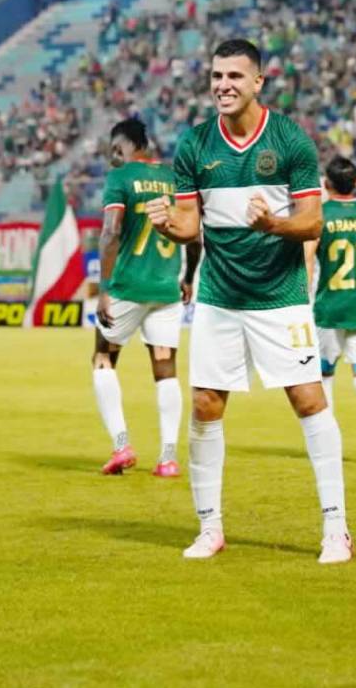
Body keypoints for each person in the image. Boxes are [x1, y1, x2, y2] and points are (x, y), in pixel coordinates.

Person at [145, 37, 352, 565]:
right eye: (217, 76)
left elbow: (313, 221)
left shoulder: (289, 141)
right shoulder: (193, 145)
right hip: (219, 295)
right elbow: (191, 227)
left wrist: (274, 224)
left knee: (308, 400)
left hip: (280, 297)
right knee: (205, 405)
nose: (223, 85)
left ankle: (336, 529)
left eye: (235, 77)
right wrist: (170, 226)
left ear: (258, 82)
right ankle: (210, 527)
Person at [93, 118, 201, 477]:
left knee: (103, 359)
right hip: (166, 291)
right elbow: (196, 235)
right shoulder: (174, 179)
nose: (112, 158)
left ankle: (122, 445)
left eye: (115, 149)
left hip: (127, 288)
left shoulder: (120, 179)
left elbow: (111, 232)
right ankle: (168, 458)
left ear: (128, 145)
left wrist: (104, 287)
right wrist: (188, 277)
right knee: (166, 370)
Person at [305, 156, 356, 467]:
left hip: (330, 306)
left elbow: (310, 259)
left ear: (326, 184)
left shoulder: (320, 216)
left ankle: (328, 440)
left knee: (324, 373)